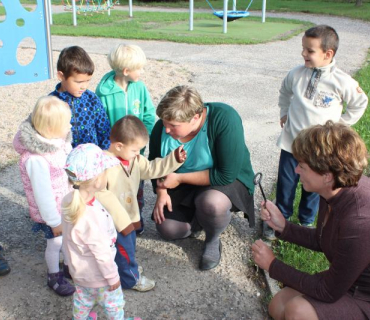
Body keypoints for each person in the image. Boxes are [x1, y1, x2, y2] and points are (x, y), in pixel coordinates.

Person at [252, 121, 370, 320]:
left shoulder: (359, 221)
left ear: (326, 175)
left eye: (302, 166)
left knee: (297, 312)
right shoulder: (334, 190)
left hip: (364, 296)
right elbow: (323, 239)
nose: (296, 170)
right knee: (278, 305)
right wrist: (284, 226)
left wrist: (273, 265)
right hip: (346, 283)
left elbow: (328, 291)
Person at [267, 25, 369, 240]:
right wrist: (284, 112)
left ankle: (307, 220)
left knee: (312, 187)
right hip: (291, 144)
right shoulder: (296, 74)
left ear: (328, 53)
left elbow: (360, 102)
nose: (304, 53)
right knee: (286, 183)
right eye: (303, 49)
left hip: (318, 151)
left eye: (310, 51)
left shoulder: (341, 81)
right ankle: (281, 219)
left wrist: (340, 126)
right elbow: (284, 92)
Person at [149, 85, 255, 271]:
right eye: (164, 123)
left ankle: (212, 238)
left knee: (212, 203)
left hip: (221, 181)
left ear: (195, 118)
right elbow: (154, 163)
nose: (166, 130)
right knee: (167, 229)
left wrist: (179, 179)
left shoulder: (224, 119)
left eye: (173, 126)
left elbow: (225, 174)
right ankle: (201, 218)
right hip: (180, 182)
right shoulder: (163, 127)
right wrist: (161, 190)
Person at [95, 115, 186, 292]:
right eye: (135, 150)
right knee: (123, 249)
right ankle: (130, 278)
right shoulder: (103, 163)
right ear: (119, 146)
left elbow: (152, 169)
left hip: (130, 215)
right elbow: (100, 193)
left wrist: (173, 159)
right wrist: (120, 219)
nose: (138, 154)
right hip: (115, 221)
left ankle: (125, 269)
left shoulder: (134, 160)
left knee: (127, 248)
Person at [62, 143, 141, 320]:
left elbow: (68, 239)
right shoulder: (92, 216)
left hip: (79, 272)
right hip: (101, 277)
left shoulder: (69, 201)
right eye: (105, 170)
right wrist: (113, 278)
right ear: (98, 180)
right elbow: (102, 253)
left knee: (82, 301)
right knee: (114, 304)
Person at [13, 96, 75, 296]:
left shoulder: (59, 142)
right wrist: (54, 221)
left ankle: (68, 266)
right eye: (66, 123)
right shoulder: (36, 159)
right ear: (50, 129)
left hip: (65, 204)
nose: (70, 125)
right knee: (55, 243)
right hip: (52, 213)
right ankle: (54, 276)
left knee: (68, 239)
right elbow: (42, 195)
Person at [96, 44, 156, 235]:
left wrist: (141, 138)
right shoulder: (103, 92)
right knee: (114, 188)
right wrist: (109, 149)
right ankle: (115, 221)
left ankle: (135, 220)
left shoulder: (140, 87)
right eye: (139, 68)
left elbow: (148, 114)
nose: (142, 72)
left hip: (135, 152)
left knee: (136, 186)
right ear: (126, 71)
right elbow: (101, 123)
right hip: (114, 154)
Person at [50, 45, 111, 150]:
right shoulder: (51, 103)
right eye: (79, 82)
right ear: (61, 76)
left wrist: (105, 153)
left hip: (92, 158)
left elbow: (104, 129)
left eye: (88, 80)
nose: (84, 86)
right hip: (64, 160)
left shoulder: (92, 99)